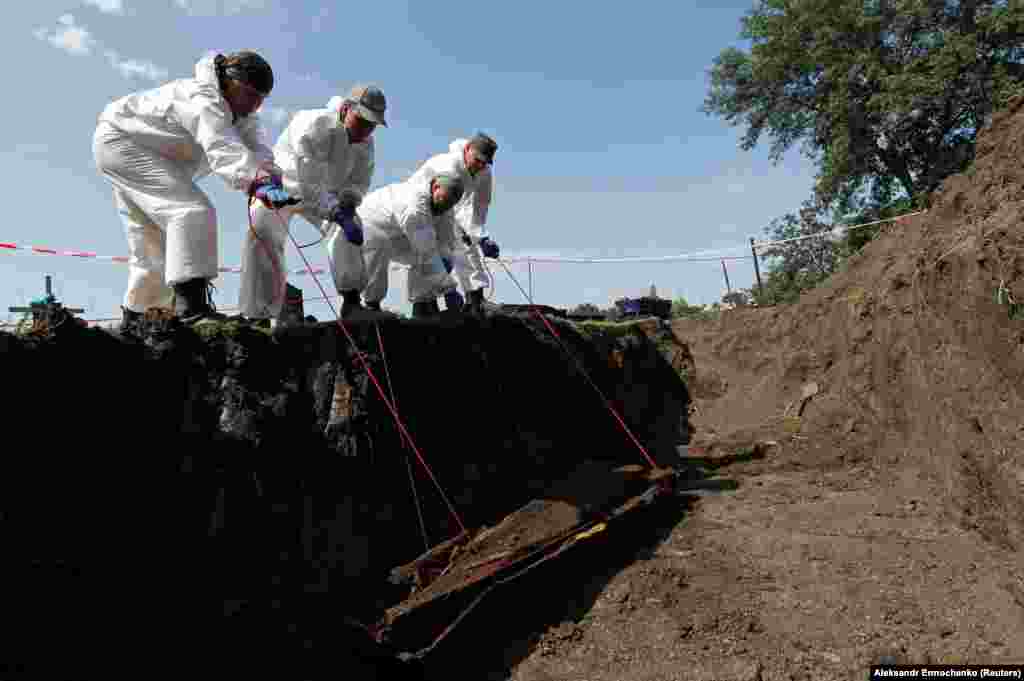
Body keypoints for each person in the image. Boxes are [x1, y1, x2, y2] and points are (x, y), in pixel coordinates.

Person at [93, 50, 295, 331]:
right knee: (190, 211)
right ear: (228, 81)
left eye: (261, 99)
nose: (254, 105)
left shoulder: (243, 116)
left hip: (142, 152)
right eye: (249, 94)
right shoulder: (202, 98)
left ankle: (138, 318)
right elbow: (222, 148)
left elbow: (259, 150)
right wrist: (257, 181)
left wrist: (271, 178)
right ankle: (193, 310)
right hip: (123, 142)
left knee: (152, 243)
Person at [238, 85, 387, 324]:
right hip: (284, 188)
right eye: (362, 121)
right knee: (262, 228)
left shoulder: (365, 142)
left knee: (348, 227)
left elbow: (360, 180)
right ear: (346, 109)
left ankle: (351, 302)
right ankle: (259, 314)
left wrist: (349, 200)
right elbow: (309, 182)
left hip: (325, 197)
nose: (366, 129)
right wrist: (334, 210)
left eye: (372, 125)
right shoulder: (314, 124)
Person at [406, 133, 499, 315]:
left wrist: (480, 236)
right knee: (428, 249)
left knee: (466, 242)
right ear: (466, 150)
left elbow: (479, 206)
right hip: (422, 206)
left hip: (449, 209)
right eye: (477, 160)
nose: (480, 166)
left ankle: (475, 297)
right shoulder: (447, 167)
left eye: (485, 162)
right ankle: (423, 303)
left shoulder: (483, 172)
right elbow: (445, 205)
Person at [354, 173, 465, 318]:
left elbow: (447, 241)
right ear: (435, 187)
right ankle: (372, 306)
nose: (446, 207)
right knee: (381, 244)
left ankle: (423, 305)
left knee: (438, 256)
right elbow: (426, 250)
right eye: (445, 201)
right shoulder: (414, 206)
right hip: (369, 224)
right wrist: (449, 289)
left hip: (399, 232)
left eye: (451, 204)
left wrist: (445, 262)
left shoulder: (445, 203)